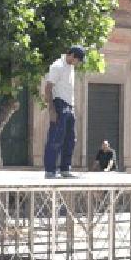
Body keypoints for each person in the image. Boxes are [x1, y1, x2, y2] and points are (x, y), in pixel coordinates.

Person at [43, 46, 85, 179]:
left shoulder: (70, 67)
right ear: (71, 55)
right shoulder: (57, 66)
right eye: (77, 60)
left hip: (69, 105)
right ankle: (50, 171)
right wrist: (51, 110)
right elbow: (48, 88)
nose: (77, 63)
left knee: (70, 139)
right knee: (56, 138)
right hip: (59, 104)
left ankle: (65, 169)